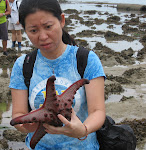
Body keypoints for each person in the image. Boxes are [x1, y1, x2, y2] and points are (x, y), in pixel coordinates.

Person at [9, 0, 106, 149]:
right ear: (24, 29)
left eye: (48, 27)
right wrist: (28, 127)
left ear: (61, 20)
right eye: (33, 30)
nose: (42, 36)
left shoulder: (86, 59)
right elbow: (18, 115)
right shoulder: (23, 65)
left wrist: (83, 130)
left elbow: (97, 111)